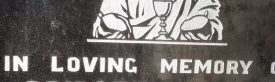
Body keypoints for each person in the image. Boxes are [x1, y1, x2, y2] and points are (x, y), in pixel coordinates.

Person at [92, 0, 223, 41]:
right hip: (134, 68)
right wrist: (111, 26)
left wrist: (203, 27)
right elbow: (108, 20)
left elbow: (213, 22)